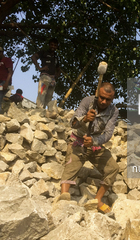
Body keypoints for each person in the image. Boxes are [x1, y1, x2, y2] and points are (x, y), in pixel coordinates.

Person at [59, 82, 119, 214]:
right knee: (70, 169)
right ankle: (63, 198)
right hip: (78, 142)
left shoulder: (114, 112)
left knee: (113, 168)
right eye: (101, 97)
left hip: (95, 146)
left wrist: (94, 141)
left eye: (108, 99)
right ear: (97, 93)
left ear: (112, 99)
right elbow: (73, 123)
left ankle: (97, 200)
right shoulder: (87, 101)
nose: (103, 101)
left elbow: (108, 134)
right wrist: (84, 119)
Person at [31, 38, 60, 109]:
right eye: (52, 45)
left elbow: (58, 68)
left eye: (55, 45)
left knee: (49, 97)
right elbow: (33, 57)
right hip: (45, 77)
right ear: (49, 45)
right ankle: (39, 111)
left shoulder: (56, 57)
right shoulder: (44, 52)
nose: (53, 46)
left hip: (52, 79)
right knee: (41, 94)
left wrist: (57, 75)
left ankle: (45, 112)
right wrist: (39, 68)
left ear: (56, 47)